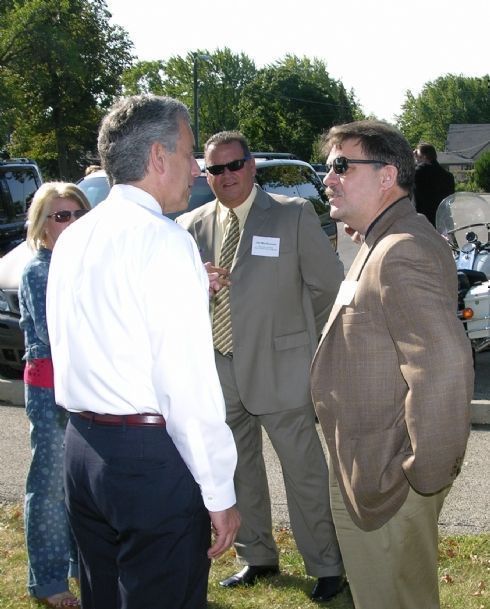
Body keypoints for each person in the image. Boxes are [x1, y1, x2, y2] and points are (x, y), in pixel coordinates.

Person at [46, 96, 240, 609]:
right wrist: (220, 493)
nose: (197, 168)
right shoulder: (165, 241)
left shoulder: (74, 235)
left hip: (83, 448)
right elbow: (187, 386)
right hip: (144, 460)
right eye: (190, 153)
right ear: (158, 156)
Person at [311, 120, 474, 609]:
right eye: (327, 167)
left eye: (342, 165)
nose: (328, 178)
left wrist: (419, 475)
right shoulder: (377, 240)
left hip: (389, 482)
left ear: (387, 176)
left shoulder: (401, 249)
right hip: (370, 471)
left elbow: (443, 372)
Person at [177, 131, 346, 603]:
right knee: (236, 469)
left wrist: (305, 347)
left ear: (252, 166)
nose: (226, 176)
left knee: (304, 472)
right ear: (206, 175)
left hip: (282, 369)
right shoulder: (190, 227)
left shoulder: (291, 215)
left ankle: (328, 564)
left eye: (235, 165)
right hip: (219, 370)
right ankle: (257, 555)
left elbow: (328, 289)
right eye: (215, 169)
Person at [19, 182, 91, 608]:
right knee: (48, 487)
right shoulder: (40, 270)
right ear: (42, 227)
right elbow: (56, 336)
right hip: (50, 390)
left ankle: (78, 567)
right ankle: (48, 581)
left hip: (83, 389)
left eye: (78, 214)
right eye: (60, 216)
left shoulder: (86, 265)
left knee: (80, 486)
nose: (71, 223)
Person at [413, 142, 455, 227]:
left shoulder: (417, 173)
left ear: (423, 156)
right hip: (444, 220)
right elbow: (451, 199)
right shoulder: (448, 176)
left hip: (424, 220)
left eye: (417, 154)